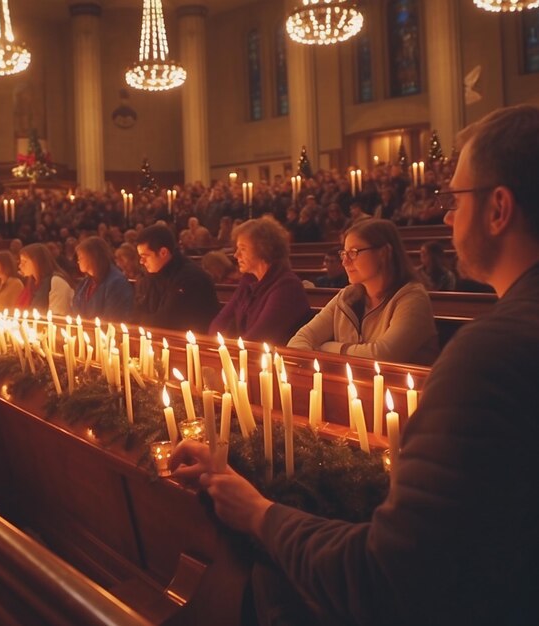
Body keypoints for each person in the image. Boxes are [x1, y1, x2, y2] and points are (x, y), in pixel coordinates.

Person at [170, 105, 539, 626]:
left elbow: (391, 577)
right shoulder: (357, 302)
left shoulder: (491, 353)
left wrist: (259, 513)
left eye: (455, 199)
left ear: (499, 209)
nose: (447, 216)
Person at [288, 219, 439, 365]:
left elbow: (383, 356)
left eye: (353, 252)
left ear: (384, 252)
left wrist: (325, 348)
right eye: (344, 253)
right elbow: (299, 340)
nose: (345, 262)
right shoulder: (346, 297)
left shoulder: (413, 298)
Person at [209, 218, 311, 346]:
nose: (236, 255)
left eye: (243, 249)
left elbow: (258, 337)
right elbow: (220, 322)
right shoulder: (249, 281)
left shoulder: (288, 287)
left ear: (263, 249)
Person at [134, 224, 220, 332]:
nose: (141, 262)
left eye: (145, 256)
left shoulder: (191, 279)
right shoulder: (148, 276)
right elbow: (136, 312)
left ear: (163, 252)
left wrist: (141, 321)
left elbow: (167, 321)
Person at [72, 236, 133, 322]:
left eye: (80, 257)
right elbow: (75, 310)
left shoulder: (117, 283)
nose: (78, 261)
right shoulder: (85, 283)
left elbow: (113, 318)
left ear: (92, 257)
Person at [16, 243, 74, 315]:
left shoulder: (56, 281)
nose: (20, 265)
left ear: (37, 261)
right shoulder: (32, 282)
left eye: (24, 261)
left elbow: (57, 315)